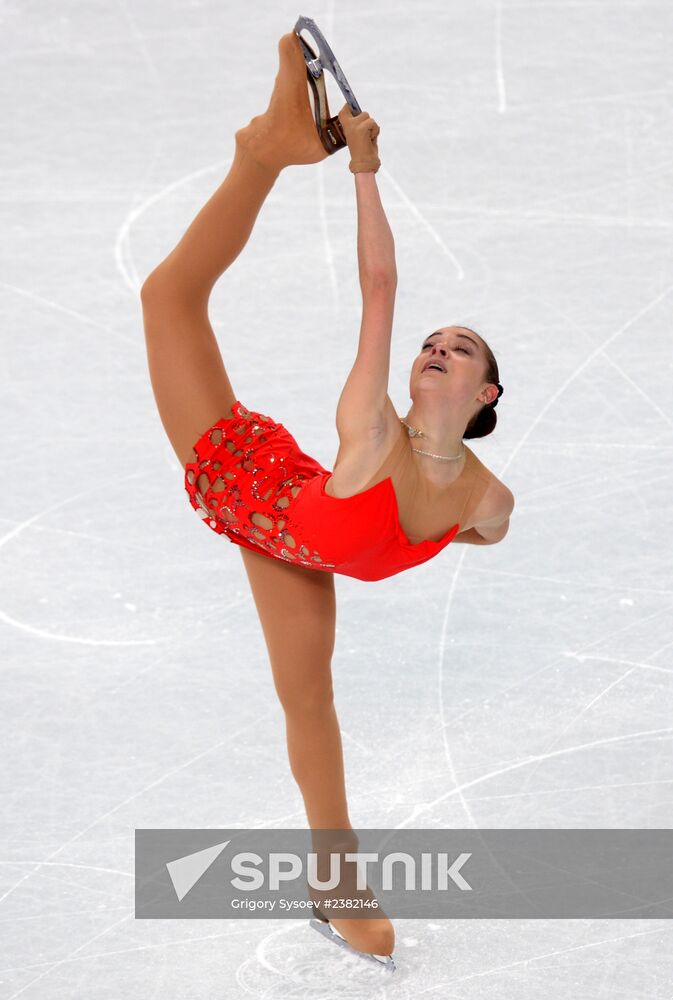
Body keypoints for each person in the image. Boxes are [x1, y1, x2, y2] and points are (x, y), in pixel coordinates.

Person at [140, 28, 514, 967]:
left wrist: (418, 530)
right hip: (247, 480)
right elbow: (379, 285)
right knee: (167, 300)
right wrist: (361, 169)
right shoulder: (371, 423)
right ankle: (263, 154)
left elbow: (483, 533)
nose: (435, 348)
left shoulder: (489, 501)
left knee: (308, 703)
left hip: (298, 544)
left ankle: (335, 889)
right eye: (432, 342)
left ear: (484, 396)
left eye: (459, 348)